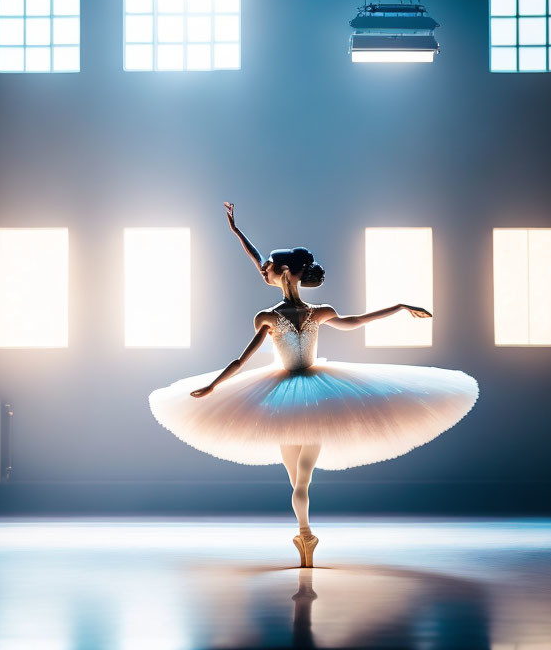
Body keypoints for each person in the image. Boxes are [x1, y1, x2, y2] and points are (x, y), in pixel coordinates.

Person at [148, 203, 479, 567]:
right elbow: (248, 346)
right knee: (297, 478)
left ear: (285, 272)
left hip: (302, 395)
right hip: (296, 393)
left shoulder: (277, 316)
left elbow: (249, 357)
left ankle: (305, 534)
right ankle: (305, 534)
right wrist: (236, 231)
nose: (264, 271)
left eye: (270, 269)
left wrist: (399, 307)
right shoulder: (302, 313)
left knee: (300, 479)